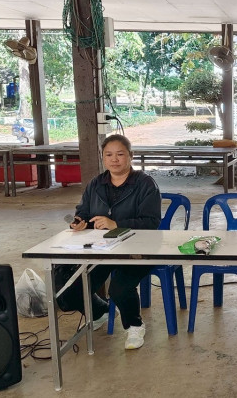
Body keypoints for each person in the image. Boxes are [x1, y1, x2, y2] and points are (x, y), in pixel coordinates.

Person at [58, 134, 161, 350]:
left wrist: (116, 223)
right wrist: (80, 222)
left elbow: (151, 222)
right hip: (103, 249)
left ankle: (135, 325)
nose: (114, 159)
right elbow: (84, 211)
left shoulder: (145, 184)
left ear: (131, 156)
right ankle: (100, 312)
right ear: (103, 157)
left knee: (119, 288)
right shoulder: (96, 184)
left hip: (138, 248)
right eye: (109, 155)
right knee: (70, 288)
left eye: (120, 154)